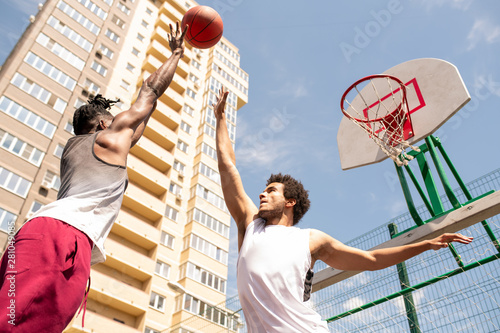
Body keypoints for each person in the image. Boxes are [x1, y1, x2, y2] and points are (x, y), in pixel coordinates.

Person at [212, 87, 473, 332]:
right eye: (264, 189)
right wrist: (221, 118)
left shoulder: (311, 239)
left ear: (290, 202)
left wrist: (426, 244)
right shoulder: (251, 223)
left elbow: (370, 260)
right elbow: (227, 167)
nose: (261, 193)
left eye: (271, 191)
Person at [0, 22, 187, 332]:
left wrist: (149, 105)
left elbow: (144, 114)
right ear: (104, 125)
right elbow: (149, 92)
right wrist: (177, 53)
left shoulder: (75, 149)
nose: (124, 128)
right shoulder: (108, 139)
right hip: (62, 237)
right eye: (115, 122)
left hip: (41, 235)